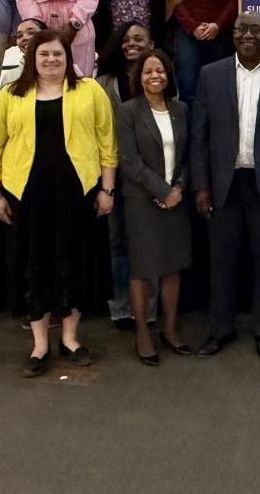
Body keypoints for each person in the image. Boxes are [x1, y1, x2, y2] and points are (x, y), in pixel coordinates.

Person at [0, 30, 117, 377]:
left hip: (78, 194)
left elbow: (107, 145)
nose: (51, 60)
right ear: (32, 58)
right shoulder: (11, 96)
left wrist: (107, 190)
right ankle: (39, 346)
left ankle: (71, 339)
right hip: (27, 197)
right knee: (34, 266)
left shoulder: (90, 91)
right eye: (44, 55)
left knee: (74, 263)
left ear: (68, 57)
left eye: (57, 54)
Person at [191, 12, 260, 360]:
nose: (248, 35)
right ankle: (220, 329)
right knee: (221, 262)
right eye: (242, 29)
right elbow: (200, 135)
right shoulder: (211, 75)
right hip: (224, 184)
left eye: (256, 29)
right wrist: (201, 186)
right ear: (233, 34)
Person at [116, 49, 192, 365]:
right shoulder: (127, 111)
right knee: (143, 268)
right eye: (147, 71)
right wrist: (161, 190)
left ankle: (170, 329)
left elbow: (190, 155)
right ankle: (143, 332)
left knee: (173, 265)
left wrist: (177, 189)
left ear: (168, 74)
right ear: (139, 77)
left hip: (176, 199)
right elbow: (129, 160)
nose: (154, 76)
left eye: (159, 70)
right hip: (141, 200)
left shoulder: (181, 109)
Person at [95, 21, 156, 331]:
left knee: (151, 244)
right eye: (126, 39)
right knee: (118, 243)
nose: (131, 44)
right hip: (115, 175)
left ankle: (150, 308)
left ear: (151, 43)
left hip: (152, 176)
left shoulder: (161, 78)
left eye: (139, 39)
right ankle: (122, 307)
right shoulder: (104, 82)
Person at [0, 18, 46, 87]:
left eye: (31, 33)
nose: (24, 38)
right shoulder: (10, 77)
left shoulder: (59, 69)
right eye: (19, 36)